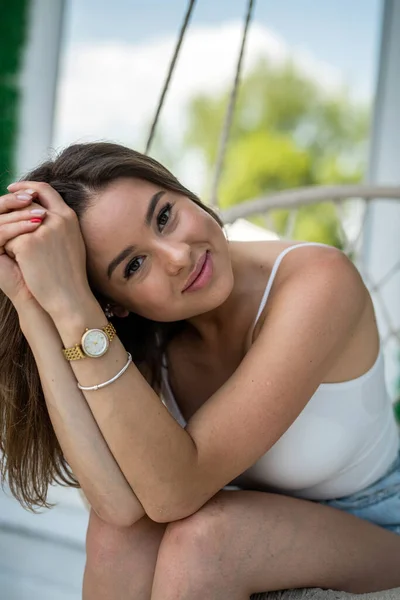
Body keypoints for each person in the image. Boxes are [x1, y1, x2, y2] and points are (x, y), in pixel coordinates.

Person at [0, 142, 399, 600]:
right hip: (252, 519)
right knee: (118, 538)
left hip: (376, 524)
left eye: (164, 216)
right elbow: (118, 506)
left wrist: (74, 307)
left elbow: (176, 494)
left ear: (181, 191)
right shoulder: (147, 341)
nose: (176, 257)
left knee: (207, 543)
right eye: (133, 265)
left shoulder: (319, 281)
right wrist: (33, 303)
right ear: (112, 306)